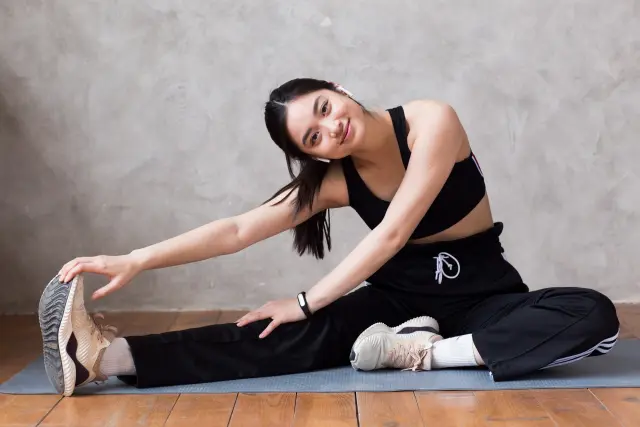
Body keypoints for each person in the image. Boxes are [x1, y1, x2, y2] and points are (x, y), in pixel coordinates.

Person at [39, 78, 620, 397]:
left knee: (591, 314)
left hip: (484, 298)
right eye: (313, 137)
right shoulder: (338, 181)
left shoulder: (431, 121)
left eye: (324, 108)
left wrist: (305, 299)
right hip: (396, 305)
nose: (331, 127)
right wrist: (137, 259)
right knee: (276, 335)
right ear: (312, 155)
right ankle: (100, 358)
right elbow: (238, 229)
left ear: (340, 89)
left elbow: (393, 232)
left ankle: (423, 354)